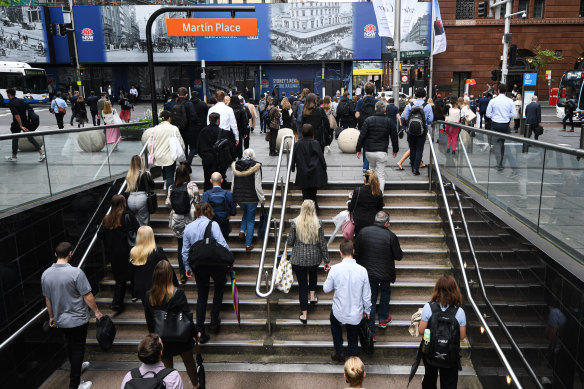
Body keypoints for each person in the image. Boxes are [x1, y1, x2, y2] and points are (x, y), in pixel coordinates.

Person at [42, 242, 103, 389]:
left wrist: (51, 317)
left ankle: (78, 366)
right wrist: (96, 312)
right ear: (70, 254)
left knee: (70, 345)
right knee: (78, 348)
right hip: (78, 319)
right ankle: (75, 384)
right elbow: (87, 295)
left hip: (60, 319)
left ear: (56, 254)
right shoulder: (76, 273)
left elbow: (47, 299)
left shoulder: (46, 274)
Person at [143, 261, 200, 388]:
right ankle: (196, 386)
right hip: (181, 336)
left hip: (162, 339)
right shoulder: (178, 293)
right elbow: (187, 317)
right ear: (170, 275)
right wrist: (196, 333)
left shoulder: (148, 295)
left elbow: (149, 320)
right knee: (189, 363)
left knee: (166, 371)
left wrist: (155, 339)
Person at [182, 202, 230, 340]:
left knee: (202, 295)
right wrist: (229, 260)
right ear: (209, 211)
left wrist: (187, 267)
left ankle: (200, 329)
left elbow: (185, 251)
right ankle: (214, 320)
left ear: (196, 212)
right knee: (219, 287)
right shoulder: (213, 225)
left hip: (198, 265)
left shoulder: (188, 227)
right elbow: (222, 243)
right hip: (215, 263)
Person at [354, 211, 403, 340]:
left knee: (371, 298)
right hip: (385, 273)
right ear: (386, 223)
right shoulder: (391, 236)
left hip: (367, 272)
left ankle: (371, 332)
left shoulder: (363, 232)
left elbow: (356, 252)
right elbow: (399, 256)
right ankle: (383, 318)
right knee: (385, 291)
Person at [323, 239, 371, 361]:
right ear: (353, 251)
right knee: (353, 337)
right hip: (356, 312)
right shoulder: (362, 270)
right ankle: (352, 359)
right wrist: (367, 310)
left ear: (340, 253)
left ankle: (339, 352)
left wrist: (331, 278)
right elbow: (366, 295)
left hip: (339, 310)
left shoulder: (335, 269)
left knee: (334, 322)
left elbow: (326, 289)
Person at [418, 275, 467, 389]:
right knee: (449, 384)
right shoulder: (459, 312)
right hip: (450, 356)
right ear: (455, 290)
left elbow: (421, 331)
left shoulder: (429, 307)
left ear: (437, 289)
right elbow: (462, 336)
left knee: (429, 380)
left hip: (430, 354)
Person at [287, 200, 330, 323]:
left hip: (298, 259)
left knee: (302, 285)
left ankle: (304, 315)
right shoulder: (319, 223)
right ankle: (312, 297)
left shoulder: (294, 223)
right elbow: (322, 243)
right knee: (313, 274)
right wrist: (326, 260)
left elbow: (290, 242)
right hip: (314, 258)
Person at [99, 195, 139, 310]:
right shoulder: (127, 216)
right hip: (127, 250)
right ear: (123, 203)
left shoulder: (107, 218)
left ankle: (117, 302)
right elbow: (138, 229)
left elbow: (100, 234)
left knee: (119, 278)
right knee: (132, 272)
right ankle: (134, 295)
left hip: (113, 252)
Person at [166, 164, 200, 283]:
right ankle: (194, 269)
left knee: (181, 246)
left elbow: (168, 204)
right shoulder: (192, 186)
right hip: (190, 219)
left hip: (177, 221)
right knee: (194, 245)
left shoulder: (171, 187)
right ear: (187, 174)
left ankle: (182, 273)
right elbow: (197, 201)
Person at [356, 101, 399, 194]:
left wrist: (358, 149)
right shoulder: (389, 121)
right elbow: (394, 137)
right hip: (382, 152)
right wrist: (395, 150)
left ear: (375, 109)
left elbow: (362, 136)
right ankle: (379, 197)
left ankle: (367, 191)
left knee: (370, 170)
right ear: (385, 110)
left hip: (369, 152)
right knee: (381, 175)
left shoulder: (368, 120)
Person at [141, 110, 186, 192]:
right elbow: (180, 142)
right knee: (170, 176)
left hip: (158, 155)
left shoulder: (155, 129)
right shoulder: (173, 128)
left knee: (164, 170)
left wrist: (153, 153)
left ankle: (165, 185)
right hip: (170, 156)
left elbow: (150, 144)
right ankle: (169, 194)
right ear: (169, 118)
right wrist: (182, 152)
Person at [130, 225, 177, 302]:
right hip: (155, 287)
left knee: (147, 311)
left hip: (141, 288)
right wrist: (174, 282)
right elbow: (167, 267)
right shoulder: (157, 250)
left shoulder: (133, 252)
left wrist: (134, 291)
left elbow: (132, 273)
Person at [231, 149, 265, 251]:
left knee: (246, 213)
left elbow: (233, 183)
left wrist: (234, 196)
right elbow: (257, 185)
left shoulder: (236, 165)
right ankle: (248, 244)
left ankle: (242, 230)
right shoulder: (256, 166)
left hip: (240, 198)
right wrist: (262, 199)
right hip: (251, 198)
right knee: (251, 220)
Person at [291, 124, 328, 211]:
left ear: (302, 133)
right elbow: (321, 157)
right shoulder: (315, 143)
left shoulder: (298, 144)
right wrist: (324, 167)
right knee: (313, 192)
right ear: (312, 132)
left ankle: (306, 210)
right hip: (314, 172)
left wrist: (292, 168)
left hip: (302, 172)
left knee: (305, 193)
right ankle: (314, 207)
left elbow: (293, 157)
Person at [4, 88, 45, 162]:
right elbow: (31, 110)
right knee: (30, 138)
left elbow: (16, 115)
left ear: (9, 95)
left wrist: (20, 125)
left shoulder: (11, 103)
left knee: (15, 139)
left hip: (17, 123)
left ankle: (14, 156)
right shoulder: (22, 100)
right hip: (26, 122)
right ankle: (41, 153)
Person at [486, 83, 518, 175]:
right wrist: (506, 116)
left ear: (499, 90)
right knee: (506, 147)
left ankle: (499, 165)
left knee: (496, 146)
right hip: (505, 125)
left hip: (495, 124)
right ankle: (514, 167)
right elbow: (514, 114)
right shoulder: (510, 101)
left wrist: (495, 116)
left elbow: (488, 114)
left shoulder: (493, 101)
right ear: (506, 91)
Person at [403, 88, 434, 176]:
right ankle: (416, 168)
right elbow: (430, 119)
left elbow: (406, 117)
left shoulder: (410, 105)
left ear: (415, 94)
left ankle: (413, 165)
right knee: (420, 149)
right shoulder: (427, 106)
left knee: (412, 148)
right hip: (422, 130)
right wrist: (424, 123)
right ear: (424, 95)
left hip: (411, 130)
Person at [198, 112, 232, 190]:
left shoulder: (203, 131)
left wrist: (204, 156)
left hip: (207, 159)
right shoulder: (222, 132)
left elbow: (199, 147)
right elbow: (228, 147)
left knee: (207, 179)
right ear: (217, 121)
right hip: (219, 160)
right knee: (219, 180)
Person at [348, 170, 384, 239]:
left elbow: (350, 207)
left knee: (359, 239)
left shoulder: (358, 191)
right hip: (373, 221)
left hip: (359, 221)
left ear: (366, 179)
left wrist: (349, 199)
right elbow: (380, 208)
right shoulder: (378, 192)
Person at [201, 172, 237, 240]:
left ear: (211, 181)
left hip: (210, 225)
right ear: (222, 180)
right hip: (224, 225)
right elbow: (233, 212)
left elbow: (201, 211)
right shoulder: (228, 194)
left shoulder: (206, 194)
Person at [354, 82, 379, 172]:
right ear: (373, 91)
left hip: (364, 127)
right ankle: (373, 167)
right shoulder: (377, 101)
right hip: (375, 127)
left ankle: (365, 167)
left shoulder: (360, 101)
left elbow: (356, 115)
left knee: (365, 147)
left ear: (364, 90)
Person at [125, 155, 155, 226]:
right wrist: (149, 176)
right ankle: (143, 236)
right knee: (144, 223)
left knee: (134, 222)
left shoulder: (129, 175)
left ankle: (135, 235)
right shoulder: (145, 174)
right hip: (142, 198)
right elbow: (152, 186)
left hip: (131, 199)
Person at [207, 90, 239, 156]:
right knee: (224, 153)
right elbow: (233, 124)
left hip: (213, 133)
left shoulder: (211, 109)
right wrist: (237, 137)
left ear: (216, 99)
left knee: (214, 152)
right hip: (226, 134)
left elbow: (208, 123)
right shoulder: (229, 109)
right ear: (224, 98)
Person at [175, 87, 199, 164]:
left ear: (178, 95)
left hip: (180, 130)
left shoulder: (175, 104)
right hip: (190, 129)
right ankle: (188, 162)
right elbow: (194, 117)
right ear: (186, 95)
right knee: (193, 148)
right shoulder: (189, 104)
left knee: (183, 147)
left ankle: (183, 164)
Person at [189, 91, 209, 164]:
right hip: (202, 125)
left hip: (192, 125)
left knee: (193, 142)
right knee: (201, 140)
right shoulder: (203, 104)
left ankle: (193, 151)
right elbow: (207, 113)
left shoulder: (189, 104)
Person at [229, 93, 249, 158]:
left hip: (230, 129)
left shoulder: (229, 109)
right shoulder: (241, 109)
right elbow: (244, 121)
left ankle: (232, 156)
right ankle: (239, 156)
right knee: (239, 144)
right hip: (239, 129)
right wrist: (245, 132)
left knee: (231, 143)